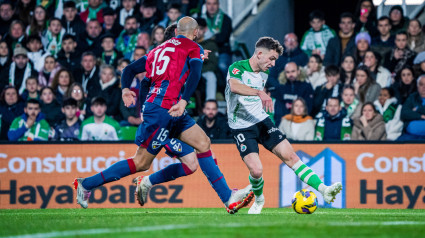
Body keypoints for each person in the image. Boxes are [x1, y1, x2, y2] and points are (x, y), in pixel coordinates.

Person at [74, 17, 254, 214]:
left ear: (176, 32)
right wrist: (185, 99)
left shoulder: (157, 50)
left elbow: (129, 69)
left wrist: (126, 89)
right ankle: (87, 184)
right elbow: (195, 75)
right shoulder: (192, 47)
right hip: (163, 111)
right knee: (140, 162)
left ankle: (228, 197)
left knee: (203, 143)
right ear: (195, 33)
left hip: (168, 109)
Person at [226, 36, 342, 214]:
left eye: (275, 60)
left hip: (262, 120)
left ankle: (324, 190)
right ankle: (259, 200)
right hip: (241, 127)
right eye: (271, 59)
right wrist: (259, 93)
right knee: (256, 171)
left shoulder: (264, 72)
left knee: (291, 157)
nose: (273, 64)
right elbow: (234, 87)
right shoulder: (237, 68)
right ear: (259, 54)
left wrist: (262, 97)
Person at [199, 0, 232, 79]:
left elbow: (222, 38)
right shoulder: (201, 18)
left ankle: (228, 88)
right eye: (209, 4)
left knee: (222, 66)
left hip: (221, 51)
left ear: (218, 5)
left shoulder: (226, 19)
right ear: (205, 5)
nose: (211, 6)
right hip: (205, 50)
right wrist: (213, 37)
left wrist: (206, 38)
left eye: (214, 3)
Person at [273, 62, 314, 126]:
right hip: (284, 123)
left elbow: (308, 108)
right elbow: (278, 109)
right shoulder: (280, 87)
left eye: (293, 71)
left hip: (301, 123)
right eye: (288, 72)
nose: (290, 74)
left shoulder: (306, 87)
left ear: (298, 71)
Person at [197, 17, 219, 100]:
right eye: (196, 29)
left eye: (200, 29)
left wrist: (199, 70)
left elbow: (213, 63)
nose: (198, 32)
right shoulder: (188, 42)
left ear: (205, 29)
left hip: (204, 71)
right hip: (189, 71)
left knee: (211, 76)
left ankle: (210, 101)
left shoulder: (211, 44)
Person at [399, 75, 425, 140]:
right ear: (417, 86)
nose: (424, 87)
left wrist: (416, 110)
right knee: (396, 146)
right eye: (421, 84)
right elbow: (403, 113)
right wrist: (420, 116)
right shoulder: (413, 97)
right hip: (410, 135)